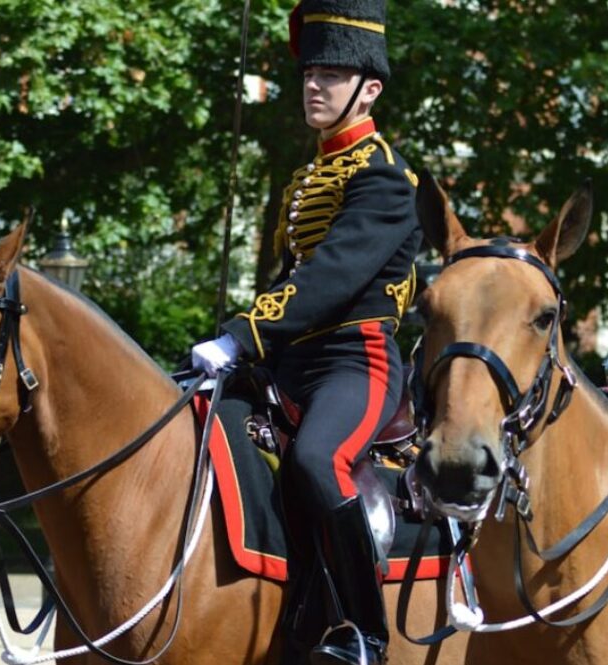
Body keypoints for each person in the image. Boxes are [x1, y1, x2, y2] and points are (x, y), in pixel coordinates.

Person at [191, 1, 420, 663]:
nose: (314, 84)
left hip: (357, 361)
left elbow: (327, 279)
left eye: (333, 73)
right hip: (289, 363)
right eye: (309, 72)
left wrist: (240, 336)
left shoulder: (386, 180)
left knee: (319, 458)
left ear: (368, 88)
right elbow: (286, 277)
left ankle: (363, 631)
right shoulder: (307, 177)